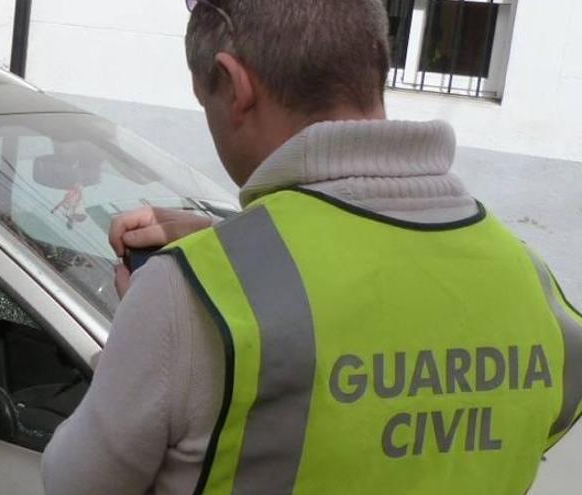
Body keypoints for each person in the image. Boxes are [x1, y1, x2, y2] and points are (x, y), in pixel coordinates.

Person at [41, 0, 582, 493]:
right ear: (377, 63)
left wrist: (151, 322)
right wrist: (231, 239)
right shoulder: (533, 285)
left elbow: (73, 485)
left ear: (234, 85)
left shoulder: (186, 295)